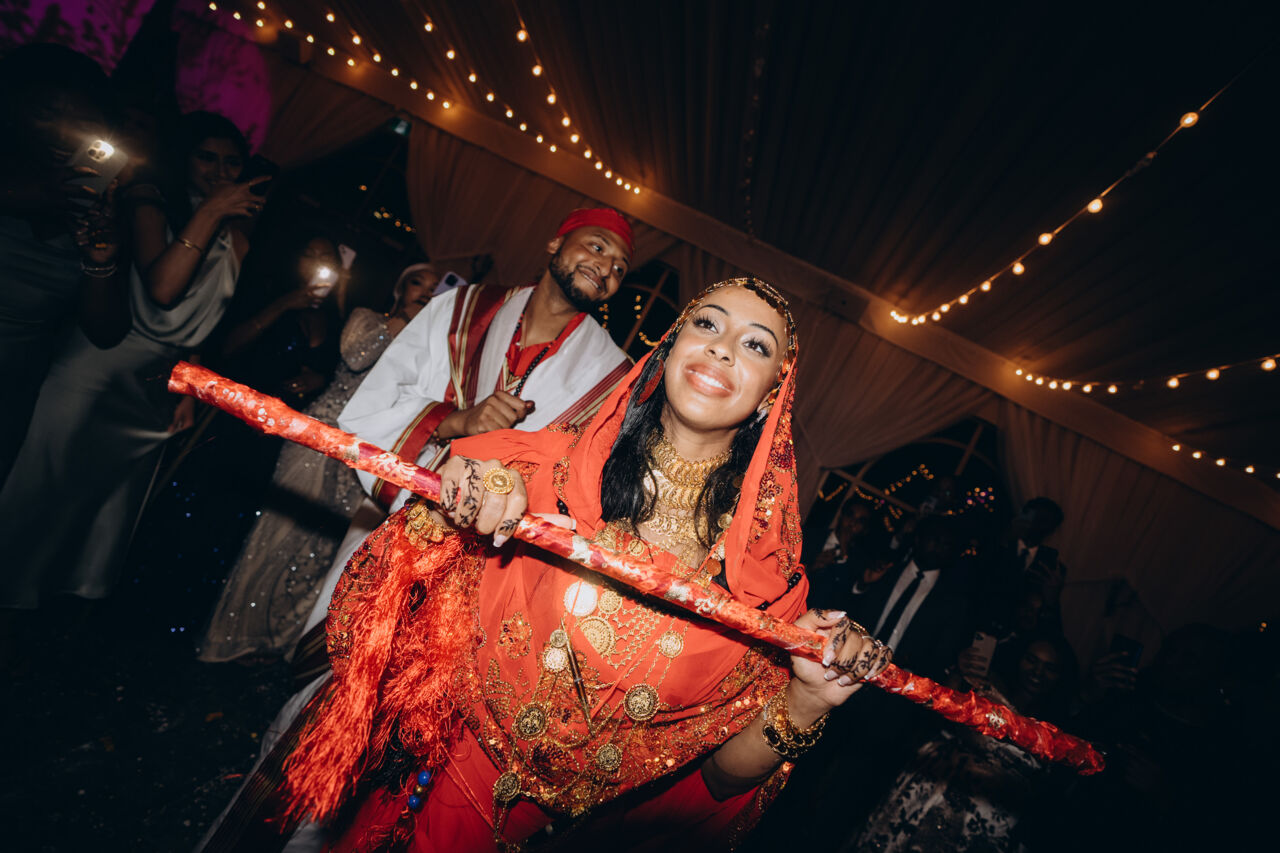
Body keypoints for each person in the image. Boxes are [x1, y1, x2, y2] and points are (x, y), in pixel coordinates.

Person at [208, 278, 891, 852]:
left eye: (755, 344)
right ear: (670, 345)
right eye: (706, 323)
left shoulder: (764, 586)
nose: (721, 346)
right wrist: (470, 496)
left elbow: (714, 784)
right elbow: (412, 580)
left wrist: (810, 698)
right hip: (417, 809)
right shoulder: (543, 472)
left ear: (773, 391)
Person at [289, 207, 636, 675]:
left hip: (485, 560)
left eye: (620, 268)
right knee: (337, 660)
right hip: (400, 516)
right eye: (597, 246)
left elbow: (583, 485)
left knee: (414, 684)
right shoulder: (464, 309)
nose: (606, 267)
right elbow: (377, 400)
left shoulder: (612, 378)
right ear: (556, 243)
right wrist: (458, 421)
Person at [0, 110, 264, 612]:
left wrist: (187, 388)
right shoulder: (149, 200)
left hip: (154, 384)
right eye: (206, 157)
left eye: (232, 163)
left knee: (99, 500)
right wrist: (210, 212)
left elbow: (208, 316)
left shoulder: (239, 231)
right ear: (183, 157)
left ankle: (51, 607)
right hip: (98, 368)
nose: (220, 171)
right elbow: (164, 289)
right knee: (43, 484)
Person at [196, 264, 445, 663]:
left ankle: (277, 642)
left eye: (435, 288)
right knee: (280, 534)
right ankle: (232, 637)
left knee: (319, 550)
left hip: (364, 455)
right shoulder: (369, 318)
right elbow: (355, 354)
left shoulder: (428, 347)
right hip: (319, 436)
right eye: (418, 283)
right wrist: (401, 321)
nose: (426, 292)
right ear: (400, 288)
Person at [0, 44, 131, 488]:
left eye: (82, 123)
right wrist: (29, 196)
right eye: (46, 114)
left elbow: (107, 332)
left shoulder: (96, 212)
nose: (62, 133)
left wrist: (100, 263)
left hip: (10, 393)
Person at [850, 633, 1077, 853]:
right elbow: (937, 711)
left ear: (1061, 676)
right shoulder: (987, 687)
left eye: (1050, 668)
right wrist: (959, 671)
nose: (1037, 672)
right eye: (1031, 660)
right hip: (933, 789)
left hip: (988, 818)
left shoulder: (1061, 729)